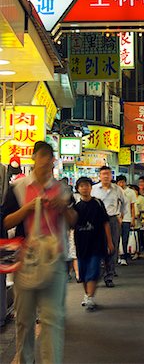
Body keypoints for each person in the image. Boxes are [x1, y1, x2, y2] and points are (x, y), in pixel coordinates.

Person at [2, 141, 77, 364]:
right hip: (26, 260)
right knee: (24, 319)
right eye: (42, 156)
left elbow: (73, 221)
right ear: (34, 158)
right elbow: (5, 221)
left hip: (54, 260)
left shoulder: (62, 188)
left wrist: (63, 207)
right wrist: (28, 207)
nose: (46, 162)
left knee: (52, 319)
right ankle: (24, 359)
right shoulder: (19, 187)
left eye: (49, 157)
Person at [73, 177, 114, 311]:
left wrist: (109, 242)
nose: (85, 188)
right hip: (81, 243)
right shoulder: (76, 207)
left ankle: (89, 297)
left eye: (87, 185)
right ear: (78, 189)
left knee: (93, 270)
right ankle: (87, 295)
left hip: (97, 242)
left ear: (91, 187)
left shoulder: (98, 203)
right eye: (82, 186)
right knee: (84, 273)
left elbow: (105, 223)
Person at [91, 166, 128, 287]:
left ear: (111, 176)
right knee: (96, 246)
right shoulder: (94, 189)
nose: (106, 176)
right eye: (103, 174)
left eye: (108, 174)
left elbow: (125, 203)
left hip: (112, 219)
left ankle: (109, 276)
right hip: (97, 221)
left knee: (113, 247)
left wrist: (121, 215)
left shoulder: (117, 189)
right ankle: (97, 274)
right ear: (99, 176)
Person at [116, 175, 136, 265]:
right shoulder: (114, 191)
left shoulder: (130, 192)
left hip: (127, 218)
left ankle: (124, 256)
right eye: (119, 182)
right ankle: (118, 256)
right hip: (116, 218)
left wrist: (133, 218)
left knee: (125, 238)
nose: (121, 184)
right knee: (116, 238)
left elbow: (132, 207)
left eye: (123, 182)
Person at [129, 185, 144, 259]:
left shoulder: (141, 199)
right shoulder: (128, 198)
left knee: (137, 236)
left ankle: (137, 251)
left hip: (139, 220)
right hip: (129, 219)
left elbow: (143, 209)